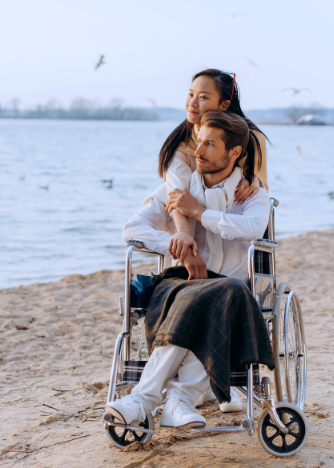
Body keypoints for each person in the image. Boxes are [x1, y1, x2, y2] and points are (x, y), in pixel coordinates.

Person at [108, 110, 273, 429]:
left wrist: (198, 213)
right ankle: (172, 401)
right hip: (181, 283)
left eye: (210, 144)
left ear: (234, 152)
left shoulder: (251, 192)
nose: (198, 151)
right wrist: (174, 242)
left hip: (230, 289)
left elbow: (253, 227)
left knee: (222, 292)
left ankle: (145, 400)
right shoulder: (178, 190)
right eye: (199, 142)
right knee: (204, 295)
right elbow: (132, 228)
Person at [161, 69, 269, 264]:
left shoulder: (251, 139)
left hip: (232, 231)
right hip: (188, 227)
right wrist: (185, 238)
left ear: (224, 105)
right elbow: (176, 195)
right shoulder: (180, 143)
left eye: (203, 97)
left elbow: (258, 187)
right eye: (190, 94)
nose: (192, 103)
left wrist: (255, 181)